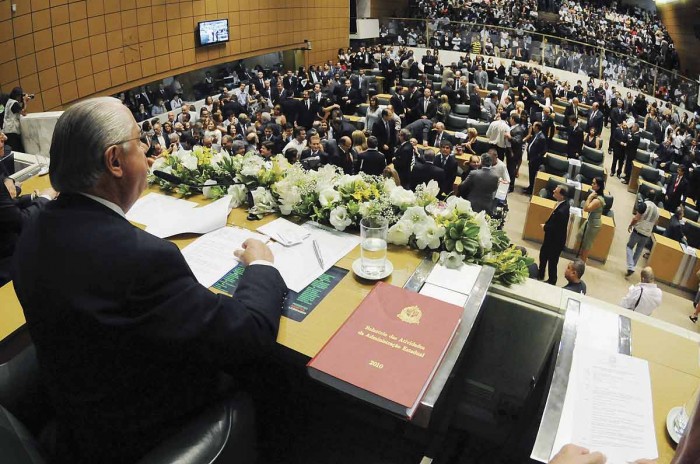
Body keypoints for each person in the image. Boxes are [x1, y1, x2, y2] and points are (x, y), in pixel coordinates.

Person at [11, 97, 288, 463]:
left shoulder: (34, 230)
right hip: (139, 430)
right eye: (139, 140)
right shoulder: (142, 259)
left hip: (79, 412)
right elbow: (250, 333)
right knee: (275, 377)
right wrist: (261, 268)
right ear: (114, 161)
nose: (146, 149)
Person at [0, 172, 56, 285]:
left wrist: (34, 197)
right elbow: (20, 221)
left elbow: (5, 204)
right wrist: (46, 198)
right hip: (7, 266)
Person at [538, 185, 570, 285]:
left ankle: (552, 280)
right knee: (543, 256)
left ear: (561, 196)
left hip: (555, 241)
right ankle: (541, 274)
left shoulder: (561, 211)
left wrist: (545, 227)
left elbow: (555, 227)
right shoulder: (564, 204)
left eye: (556, 191)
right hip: (552, 239)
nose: (553, 191)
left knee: (552, 261)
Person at [625, 200, 659, 277]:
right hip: (647, 234)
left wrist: (630, 225)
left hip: (638, 231)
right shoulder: (657, 210)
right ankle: (632, 267)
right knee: (639, 250)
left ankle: (631, 266)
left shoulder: (644, 205)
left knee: (629, 246)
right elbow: (656, 223)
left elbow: (636, 218)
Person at [578, 177, 605, 263]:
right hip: (590, 221)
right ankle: (582, 259)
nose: (592, 184)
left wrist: (589, 198)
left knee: (587, 245)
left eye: (594, 183)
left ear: (598, 186)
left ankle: (583, 262)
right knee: (583, 240)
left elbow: (586, 209)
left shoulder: (597, 200)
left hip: (594, 224)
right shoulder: (595, 194)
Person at [3, 87, 31, 153]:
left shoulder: (9, 101)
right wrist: (25, 101)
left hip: (7, 131)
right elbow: (23, 113)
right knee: (17, 152)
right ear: (18, 96)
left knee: (17, 152)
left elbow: (19, 110)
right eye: (21, 96)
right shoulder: (14, 103)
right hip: (12, 133)